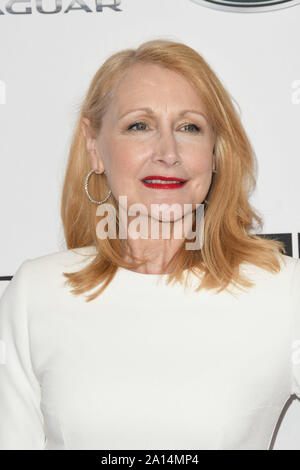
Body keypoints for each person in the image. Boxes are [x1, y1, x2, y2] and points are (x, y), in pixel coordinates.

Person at [0, 39, 299, 450]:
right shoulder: (35, 292)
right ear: (94, 147)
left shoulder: (283, 291)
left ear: (215, 152)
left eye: (189, 127)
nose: (167, 152)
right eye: (139, 125)